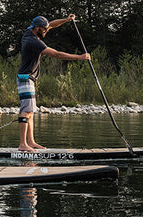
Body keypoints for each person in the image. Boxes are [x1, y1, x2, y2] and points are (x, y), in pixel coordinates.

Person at [17, 15, 90, 152]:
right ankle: (22, 144)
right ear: (37, 28)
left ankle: (31, 142)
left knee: (30, 111)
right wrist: (79, 57)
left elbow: (51, 24)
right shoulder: (33, 41)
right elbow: (57, 55)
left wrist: (66, 20)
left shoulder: (30, 31)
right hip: (25, 78)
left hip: (29, 78)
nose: (46, 31)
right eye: (44, 29)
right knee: (26, 111)